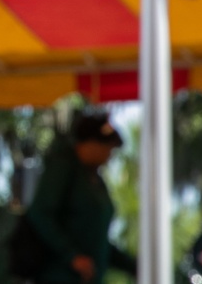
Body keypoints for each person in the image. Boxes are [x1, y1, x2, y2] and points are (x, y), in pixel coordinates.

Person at [27, 111, 136, 284]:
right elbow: (40, 214)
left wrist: (134, 266)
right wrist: (71, 256)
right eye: (107, 148)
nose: (109, 156)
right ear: (91, 144)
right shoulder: (63, 166)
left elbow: (98, 241)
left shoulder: (95, 179)